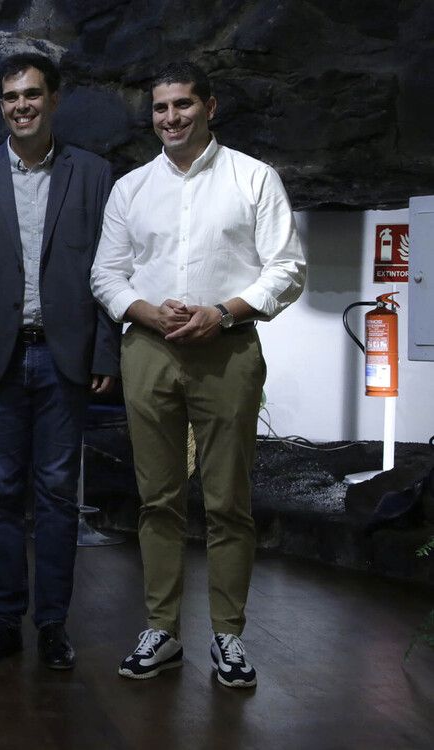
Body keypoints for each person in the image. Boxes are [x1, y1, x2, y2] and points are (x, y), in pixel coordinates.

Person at [90, 61, 306, 688]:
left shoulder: (253, 178)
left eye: (182, 105)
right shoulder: (131, 188)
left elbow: (285, 269)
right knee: (156, 498)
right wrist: (150, 312)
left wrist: (222, 312)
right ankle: (161, 630)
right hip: (149, 349)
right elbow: (107, 274)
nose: (171, 118)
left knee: (228, 502)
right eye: (160, 108)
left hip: (228, 350)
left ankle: (229, 637)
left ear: (210, 107)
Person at [0, 53, 119, 670]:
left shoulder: (93, 175)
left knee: (58, 497)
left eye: (33, 94)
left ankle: (52, 625)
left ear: (54, 99)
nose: (22, 105)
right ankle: (4, 622)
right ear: (1, 105)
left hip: (65, 360)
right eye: (12, 96)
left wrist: (104, 350)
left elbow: (108, 271)